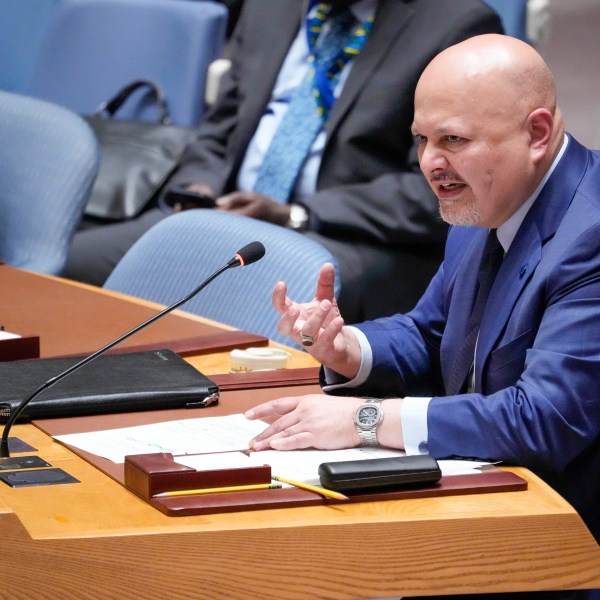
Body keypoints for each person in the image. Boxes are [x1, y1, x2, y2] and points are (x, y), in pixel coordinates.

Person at [244, 34, 600, 600]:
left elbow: (544, 419)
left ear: (536, 133)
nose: (432, 163)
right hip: (484, 515)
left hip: (567, 552)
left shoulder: (592, 233)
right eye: (422, 140)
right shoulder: (485, 200)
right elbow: (431, 330)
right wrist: (347, 349)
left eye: (454, 140)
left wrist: (365, 420)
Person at [62, 0, 503, 324]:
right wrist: (197, 190)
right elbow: (221, 126)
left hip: (348, 237)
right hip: (223, 216)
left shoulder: (454, 26)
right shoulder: (269, 7)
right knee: (70, 261)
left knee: (282, 306)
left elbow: (436, 188)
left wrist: (296, 214)